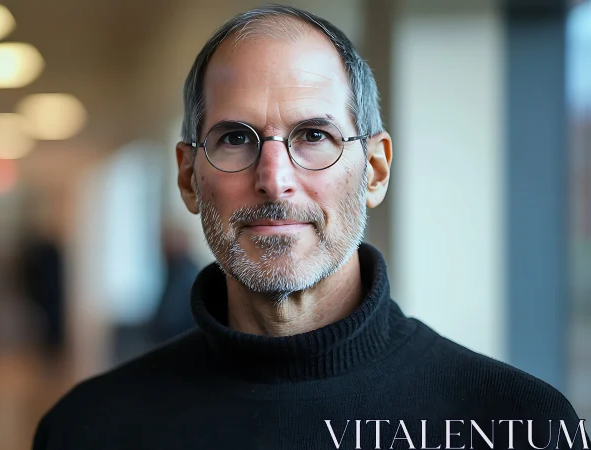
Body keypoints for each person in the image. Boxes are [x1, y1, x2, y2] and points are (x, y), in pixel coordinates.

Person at [33, 6, 587, 449]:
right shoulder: (88, 429)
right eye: (235, 138)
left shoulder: (516, 425)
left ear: (373, 170)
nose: (274, 180)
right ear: (188, 176)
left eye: (313, 136)